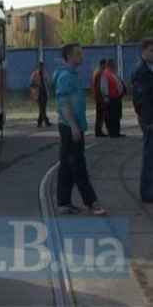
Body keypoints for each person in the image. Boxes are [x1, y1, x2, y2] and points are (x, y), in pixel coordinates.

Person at [52, 43, 106, 215]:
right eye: (78, 54)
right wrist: (74, 126)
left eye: (81, 53)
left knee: (66, 165)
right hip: (70, 127)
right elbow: (63, 104)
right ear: (69, 57)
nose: (82, 56)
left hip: (70, 126)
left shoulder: (70, 75)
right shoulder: (66, 77)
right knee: (78, 166)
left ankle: (63, 202)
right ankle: (91, 202)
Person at [131, 37, 153, 203]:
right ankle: (146, 191)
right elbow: (142, 98)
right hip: (150, 120)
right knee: (149, 155)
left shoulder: (148, 68)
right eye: (151, 51)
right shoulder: (141, 70)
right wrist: (149, 119)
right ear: (143, 52)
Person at [100, 58, 127, 138]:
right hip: (111, 98)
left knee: (118, 115)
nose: (115, 65)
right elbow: (103, 86)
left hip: (117, 97)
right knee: (112, 116)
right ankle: (112, 132)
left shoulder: (114, 73)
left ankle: (117, 131)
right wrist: (106, 96)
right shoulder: (105, 74)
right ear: (109, 65)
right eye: (113, 64)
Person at [29, 61, 52, 127]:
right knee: (41, 107)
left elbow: (48, 82)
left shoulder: (45, 73)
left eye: (42, 66)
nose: (41, 67)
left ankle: (39, 121)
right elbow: (30, 83)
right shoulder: (35, 74)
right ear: (38, 67)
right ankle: (46, 121)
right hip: (37, 92)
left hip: (44, 92)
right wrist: (37, 84)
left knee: (43, 107)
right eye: (40, 66)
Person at [91, 59, 108, 137]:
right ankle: (98, 131)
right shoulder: (100, 73)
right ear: (103, 65)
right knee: (101, 115)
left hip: (97, 96)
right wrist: (103, 97)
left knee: (100, 115)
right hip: (100, 97)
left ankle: (98, 130)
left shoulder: (96, 72)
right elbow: (99, 86)